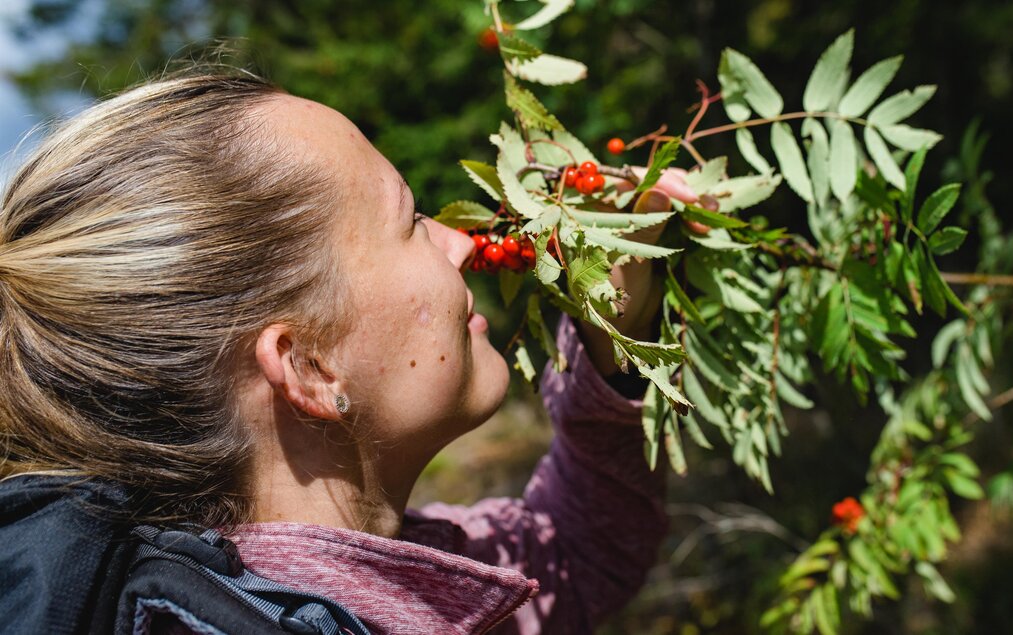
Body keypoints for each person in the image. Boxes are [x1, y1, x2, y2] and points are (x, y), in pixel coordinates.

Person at [0, 71, 700, 634]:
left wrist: (614, 336)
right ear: (308, 366)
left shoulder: (401, 580)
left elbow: (577, 556)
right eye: (411, 221)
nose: (460, 242)